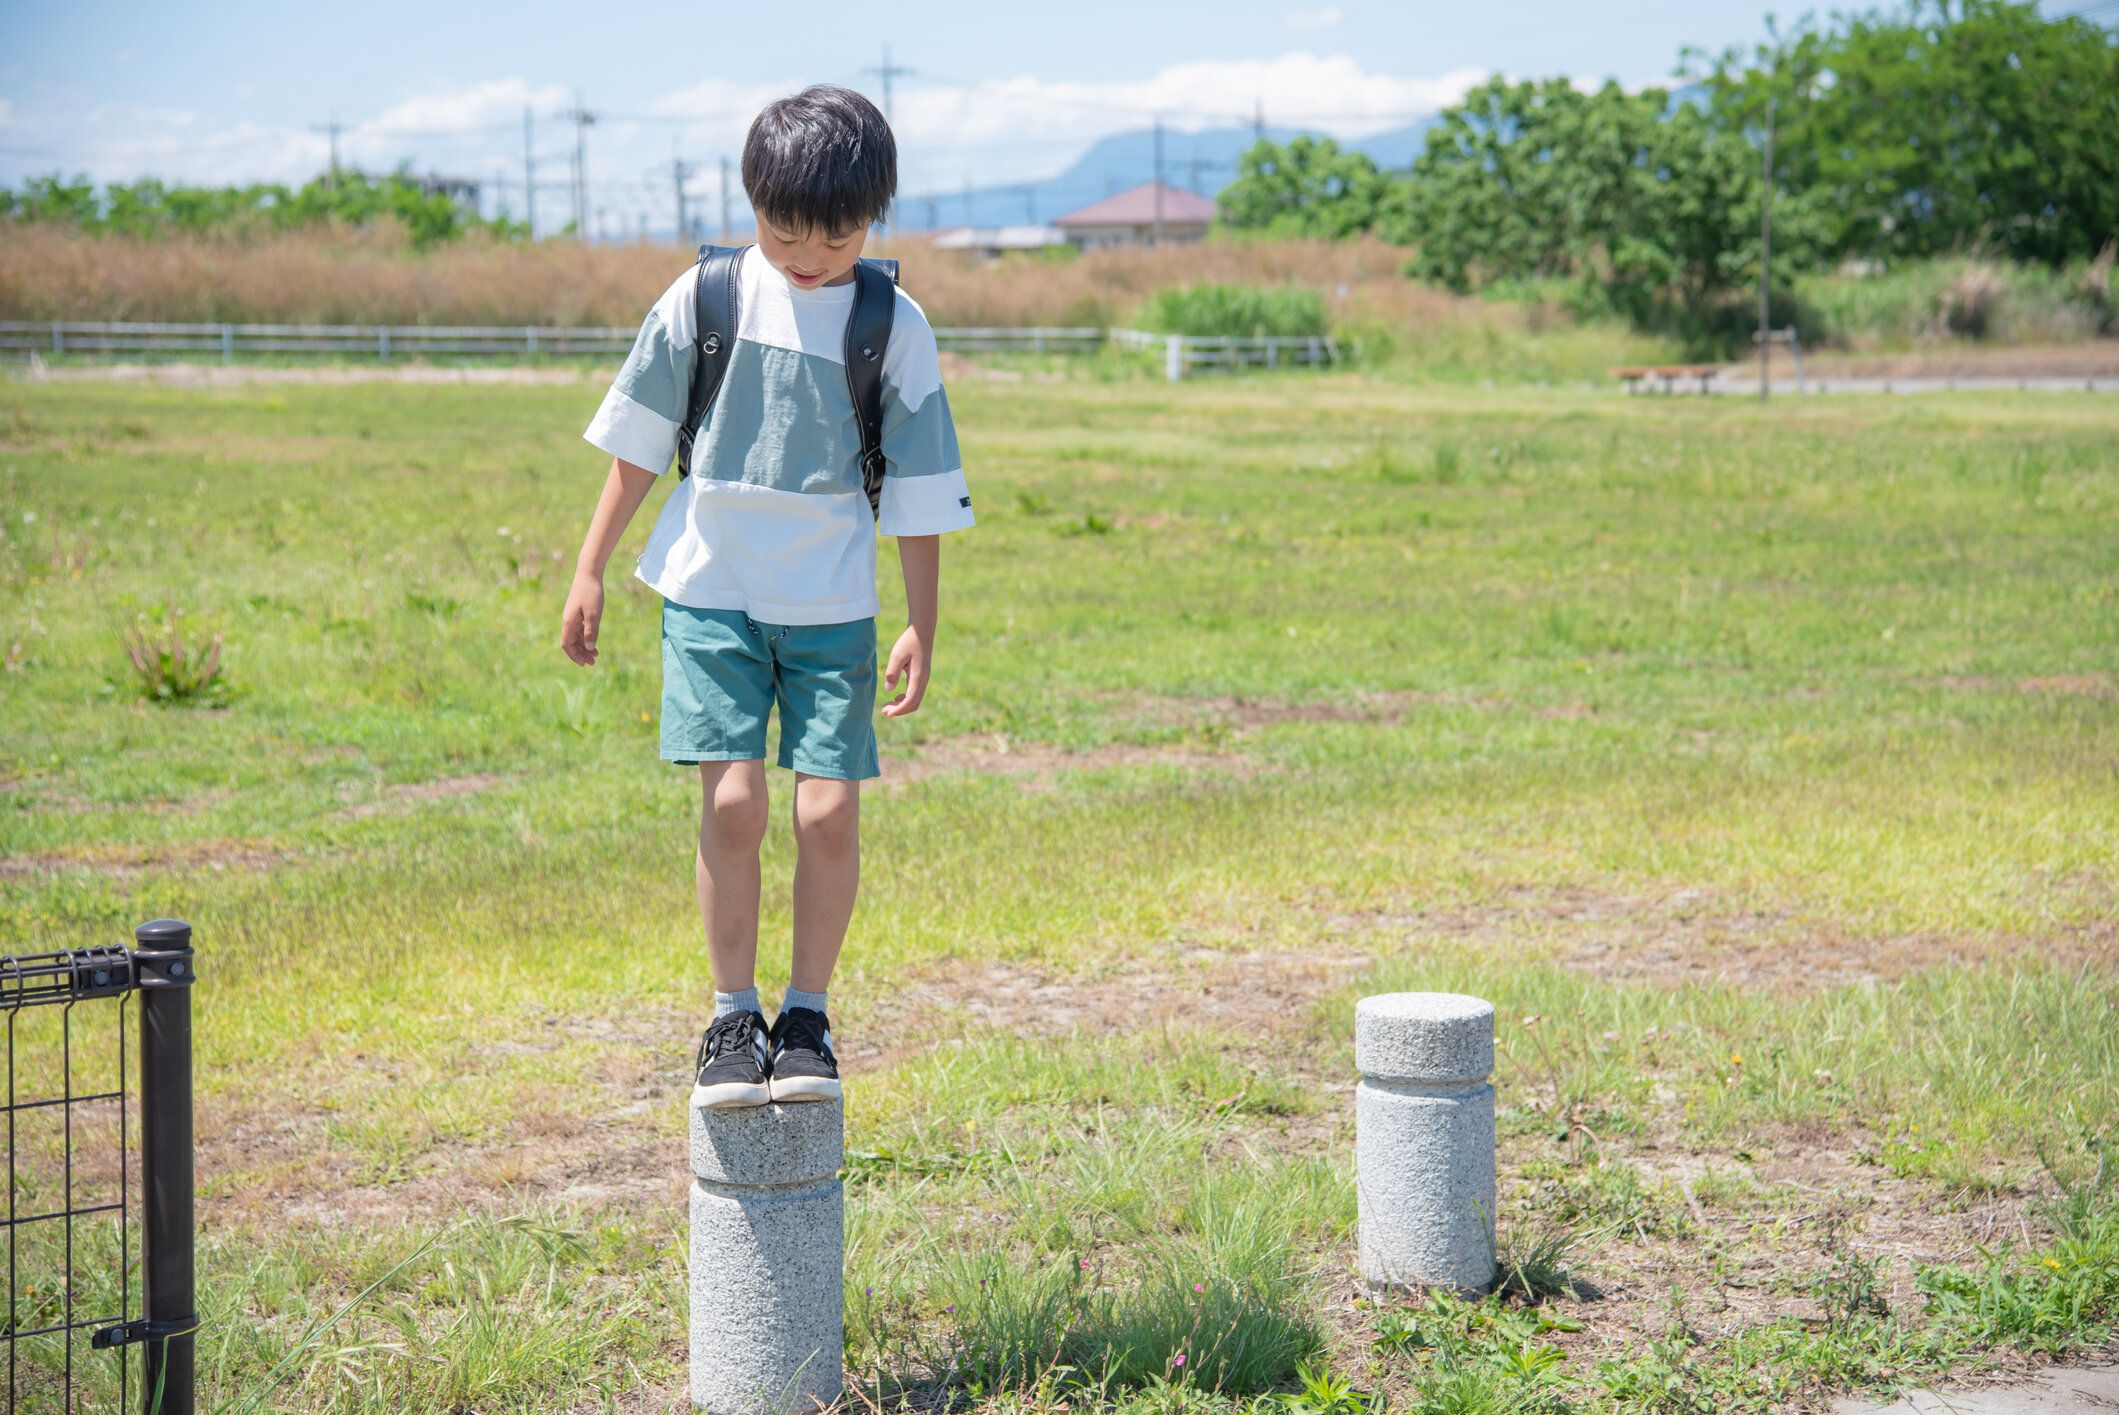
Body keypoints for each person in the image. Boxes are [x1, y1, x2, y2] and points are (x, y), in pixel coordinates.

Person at [559, 85, 973, 1109]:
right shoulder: (704, 298)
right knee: (734, 802)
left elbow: (920, 486)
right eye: (785, 230)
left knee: (826, 813)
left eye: (837, 234)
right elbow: (637, 442)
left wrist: (921, 621)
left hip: (832, 604)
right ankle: (731, 1015)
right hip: (712, 591)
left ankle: (807, 1018)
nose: (809, 254)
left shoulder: (891, 322)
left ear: (872, 217)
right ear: (752, 204)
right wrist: (590, 565)